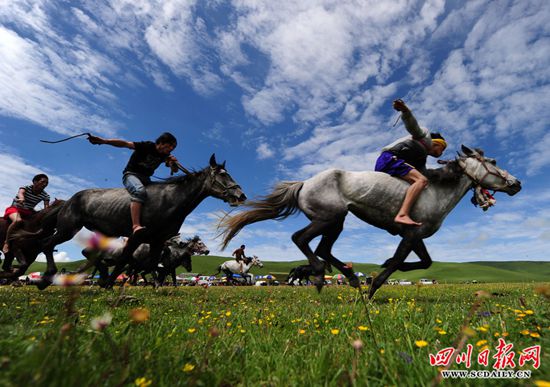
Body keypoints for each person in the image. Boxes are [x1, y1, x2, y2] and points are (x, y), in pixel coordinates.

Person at [87, 132, 179, 235]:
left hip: (146, 179)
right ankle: (135, 225)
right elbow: (125, 144)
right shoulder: (147, 146)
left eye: (173, 147)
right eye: (170, 145)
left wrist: (173, 164)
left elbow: (174, 170)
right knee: (139, 192)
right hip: (131, 175)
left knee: (158, 195)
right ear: (161, 143)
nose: (171, 148)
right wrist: (105, 141)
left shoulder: (165, 155)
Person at [375, 99, 447, 226]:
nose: (442, 153)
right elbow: (413, 126)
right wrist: (405, 111)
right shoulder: (425, 137)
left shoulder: (421, 157)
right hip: (390, 159)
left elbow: (425, 172)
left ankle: (398, 209)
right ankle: (402, 214)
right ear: (438, 144)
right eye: (443, 149)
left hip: (390, 163)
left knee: (420, 182)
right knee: (421, 181)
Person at [2, 174, 50, 253]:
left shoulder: (46, 195)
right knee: (18, 221)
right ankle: (6, 242)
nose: (44, 184)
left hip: (28, 212)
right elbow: (21, 193)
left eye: (46, 183)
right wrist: (21, 198)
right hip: (15, 208)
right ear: (35, 182)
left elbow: (46, 208)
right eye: (42, 182)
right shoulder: (26, 187)